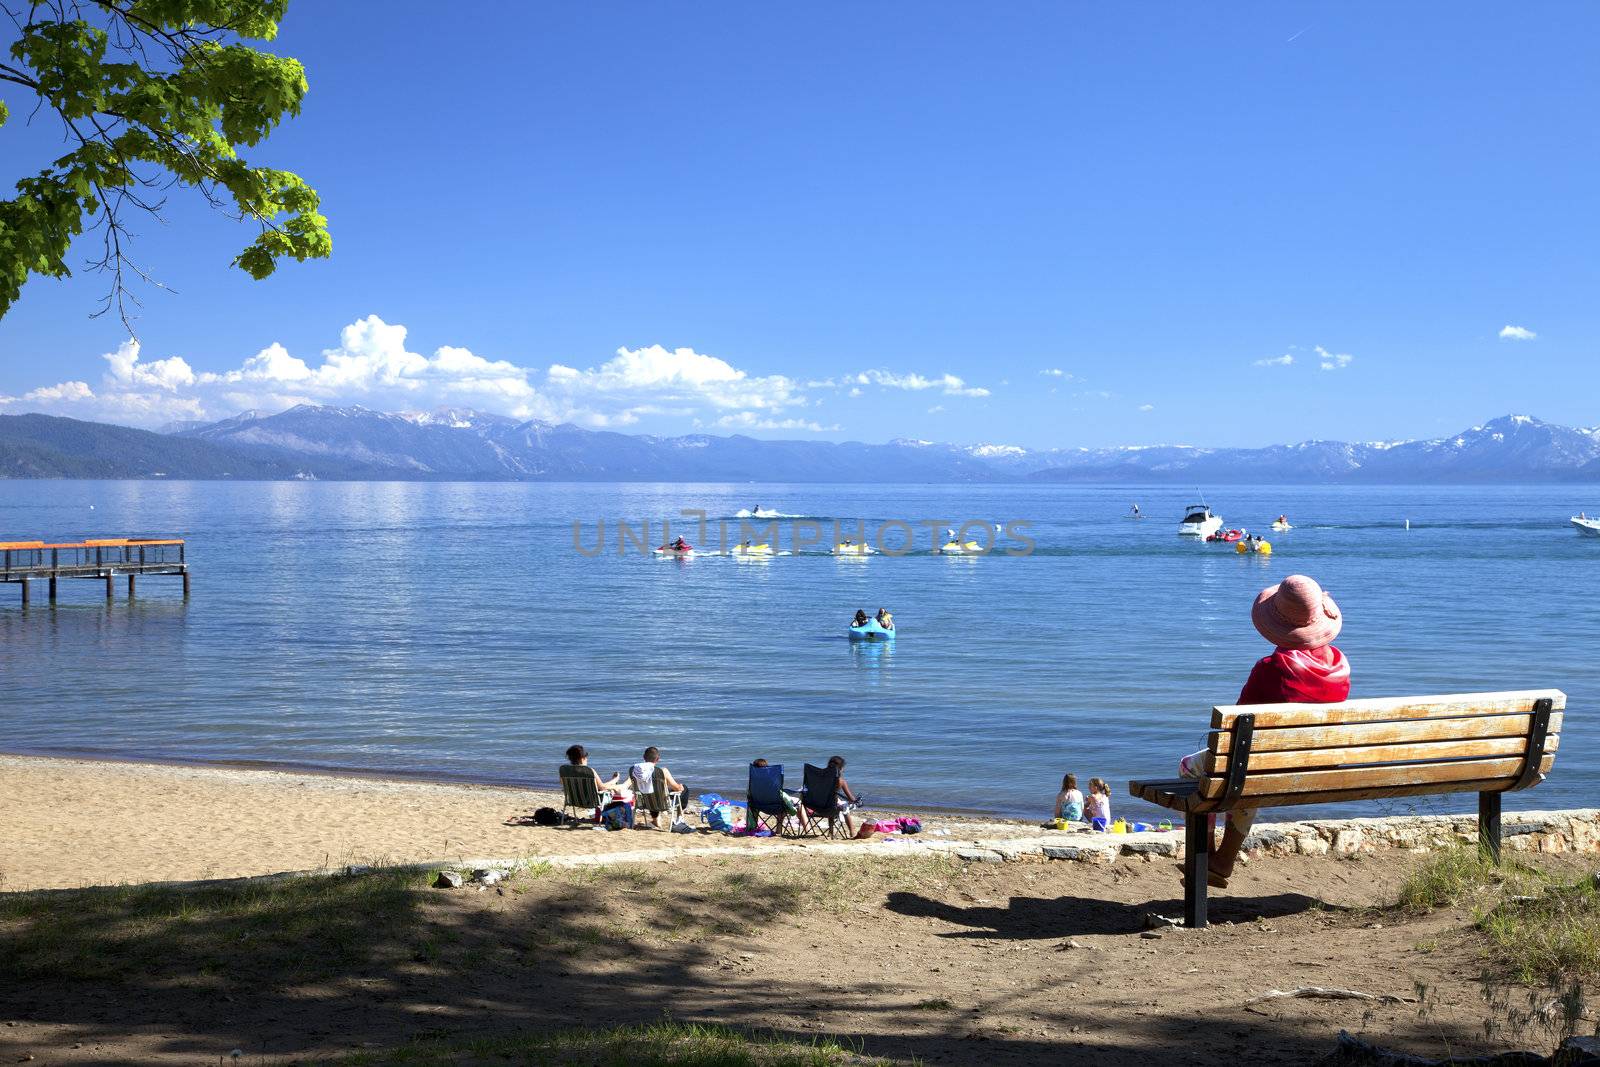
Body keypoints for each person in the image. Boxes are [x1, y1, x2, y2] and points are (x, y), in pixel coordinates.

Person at [1183, 574, 1349, 888]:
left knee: (1200, 768)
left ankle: (1205, 856)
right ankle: (1224, 859)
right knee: (1248, 769)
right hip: (1318, 763)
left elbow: (1235, 725)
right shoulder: (1340, 666)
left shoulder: (1271, 667)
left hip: (1265, 762)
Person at [630, 746, 687, 829]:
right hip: (662, 803)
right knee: (685, 789)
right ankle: (679, 817)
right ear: (658, 759)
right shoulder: (663, 771)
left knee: (651, 793)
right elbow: (677, 789)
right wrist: (680, 787)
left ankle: (655, 820)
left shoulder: (635, 771)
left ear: (644, 757)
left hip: (644, 803)